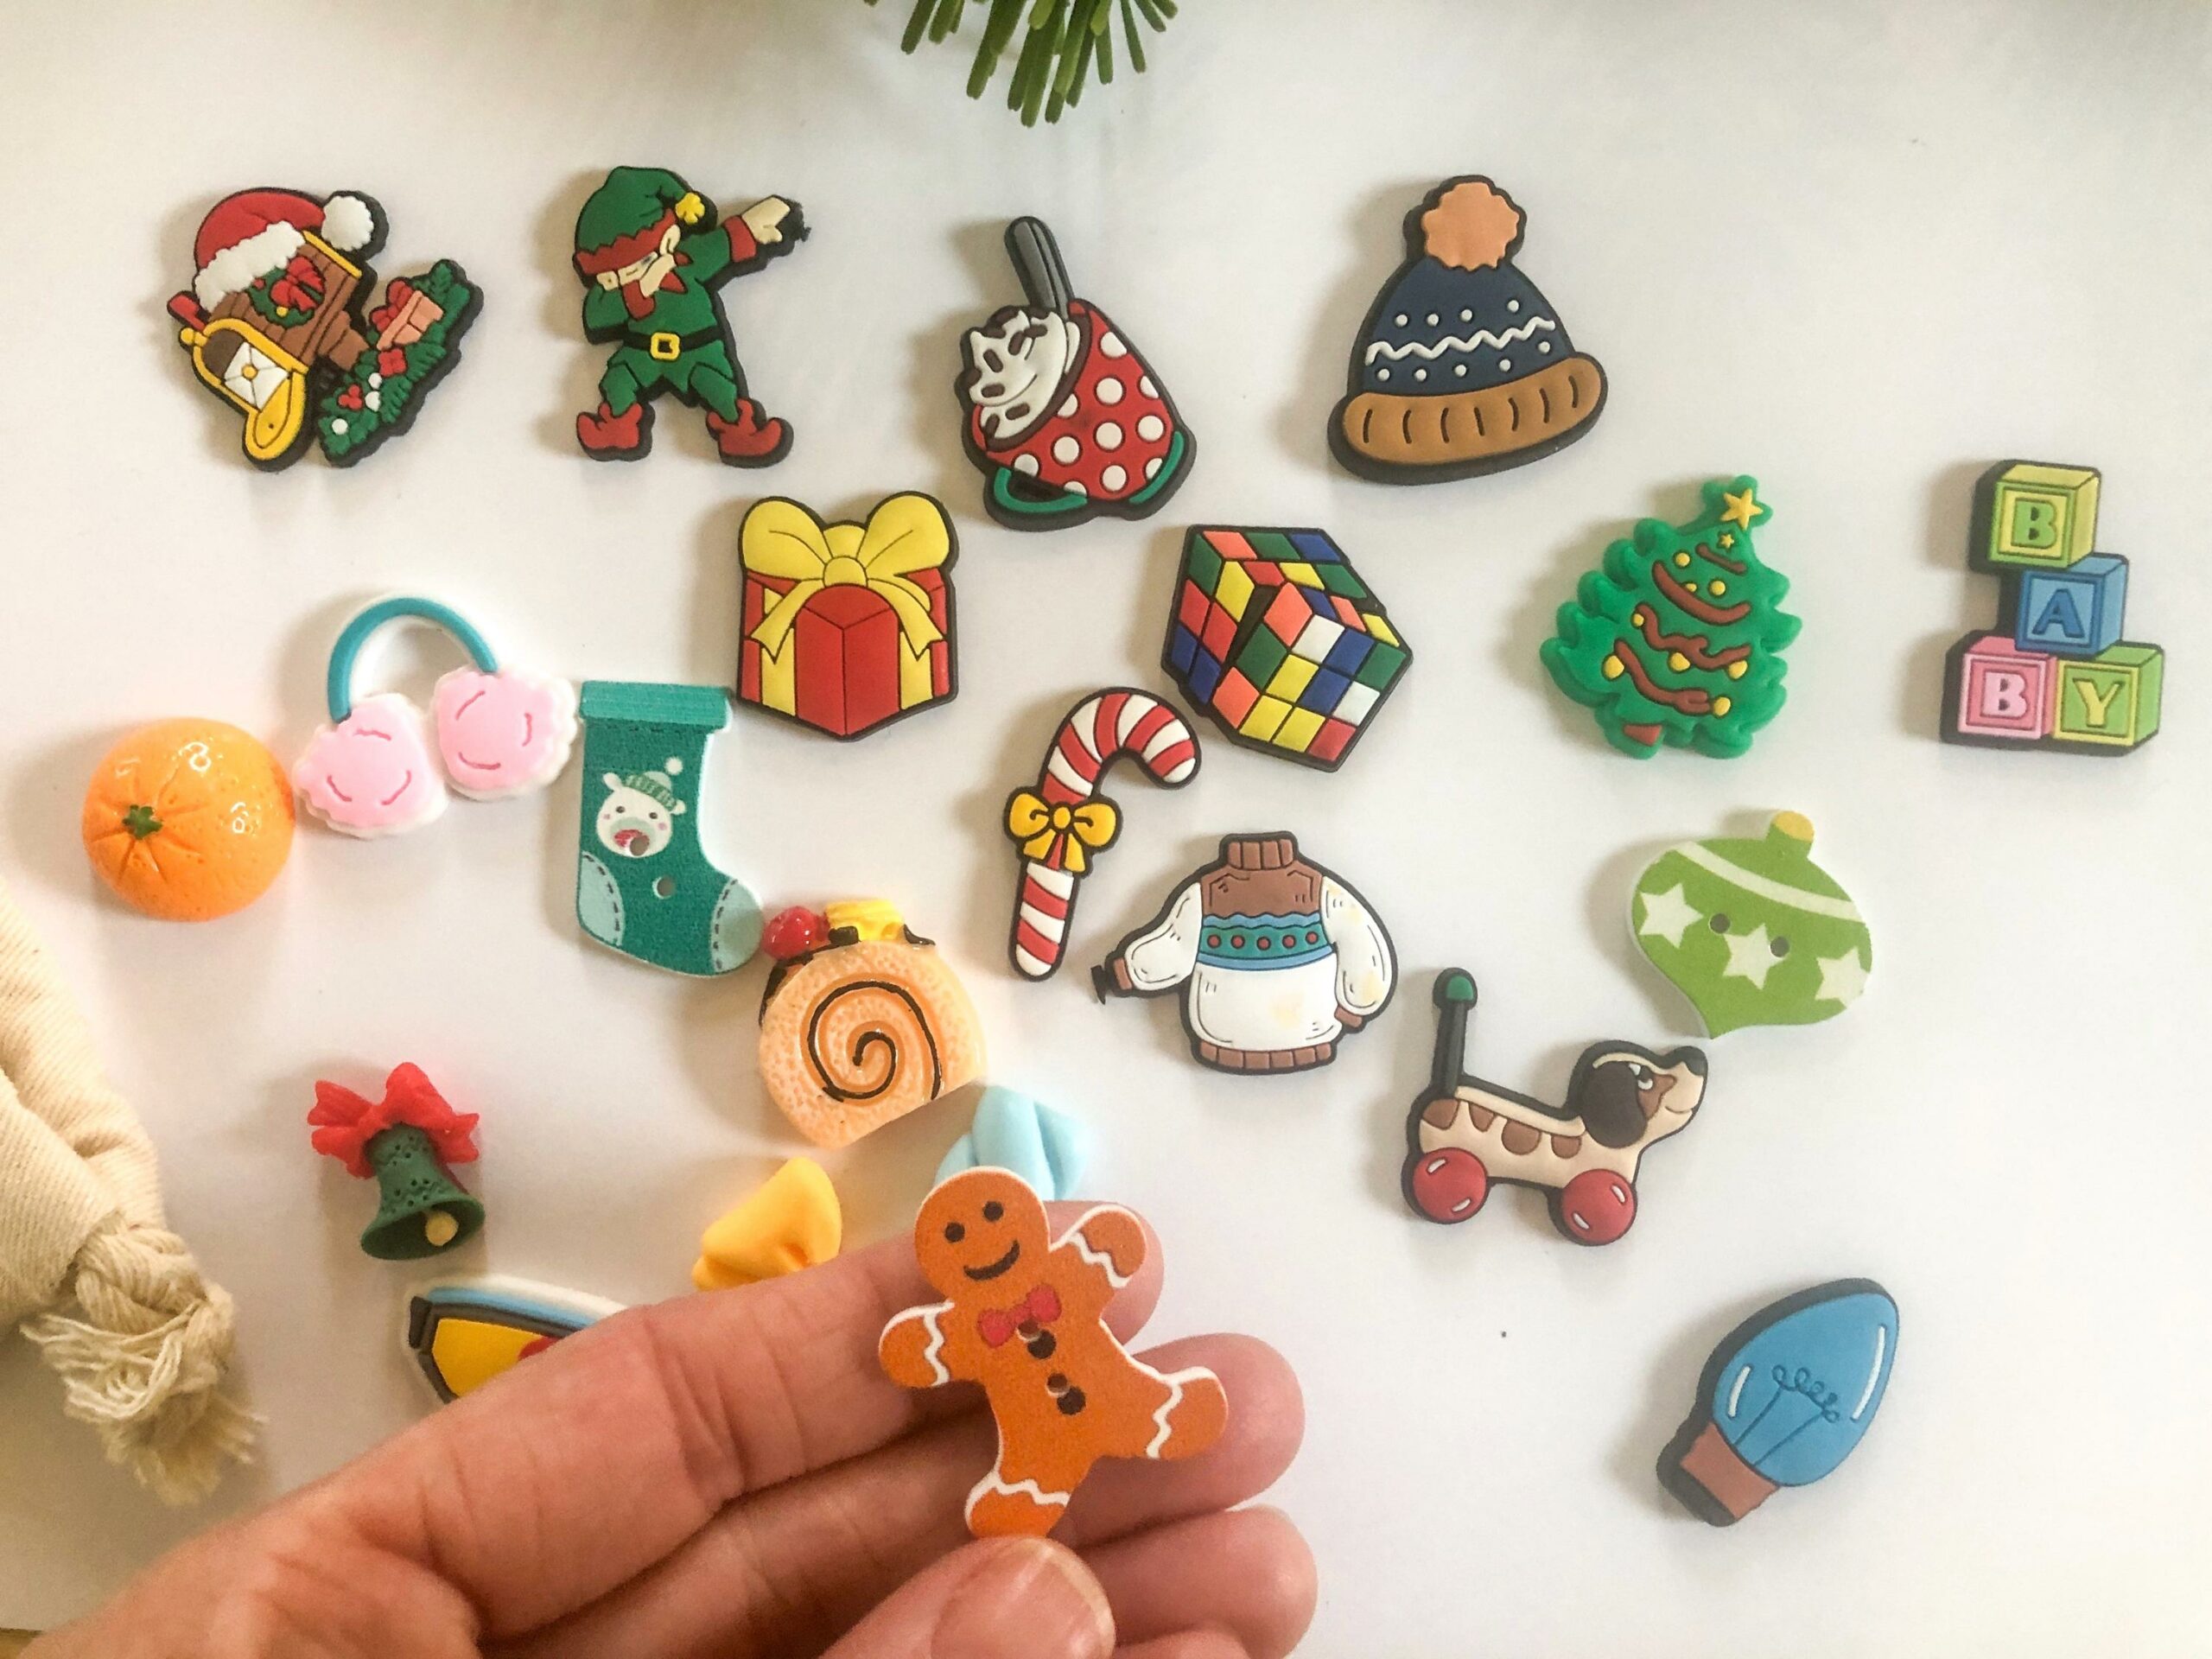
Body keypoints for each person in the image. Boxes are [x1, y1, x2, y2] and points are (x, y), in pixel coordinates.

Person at [31, 1206, 1313, 1658]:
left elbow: (1095, 1260)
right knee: (1034, 1471)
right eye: (968, 1232)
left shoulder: (1045, 1280)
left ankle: (1166, 1413)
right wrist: (934, 1343)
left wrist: (1097, 1253)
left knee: (1141, 1409)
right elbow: (932, 1347)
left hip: (1091, 1385)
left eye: (989, 1230)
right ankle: (1143, 1423)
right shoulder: (972, 1320)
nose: (981, 1241)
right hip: (1028, 1443)